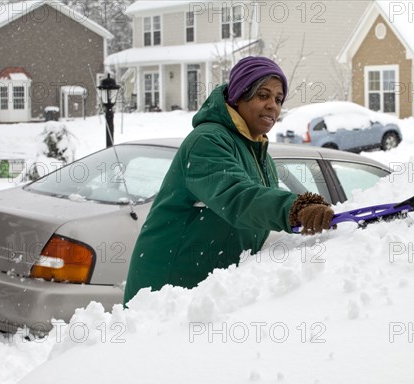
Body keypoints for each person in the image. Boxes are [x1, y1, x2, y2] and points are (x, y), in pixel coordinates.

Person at [123, 56, 334, 304]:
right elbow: (238, 197)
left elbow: (256, 215)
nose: (272, 106)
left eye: (278, 99)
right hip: (167, 288)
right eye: (262, 95)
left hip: (210, 291)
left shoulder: (259, 153)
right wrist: (296, 208)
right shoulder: (208, 141)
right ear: (238, 96)